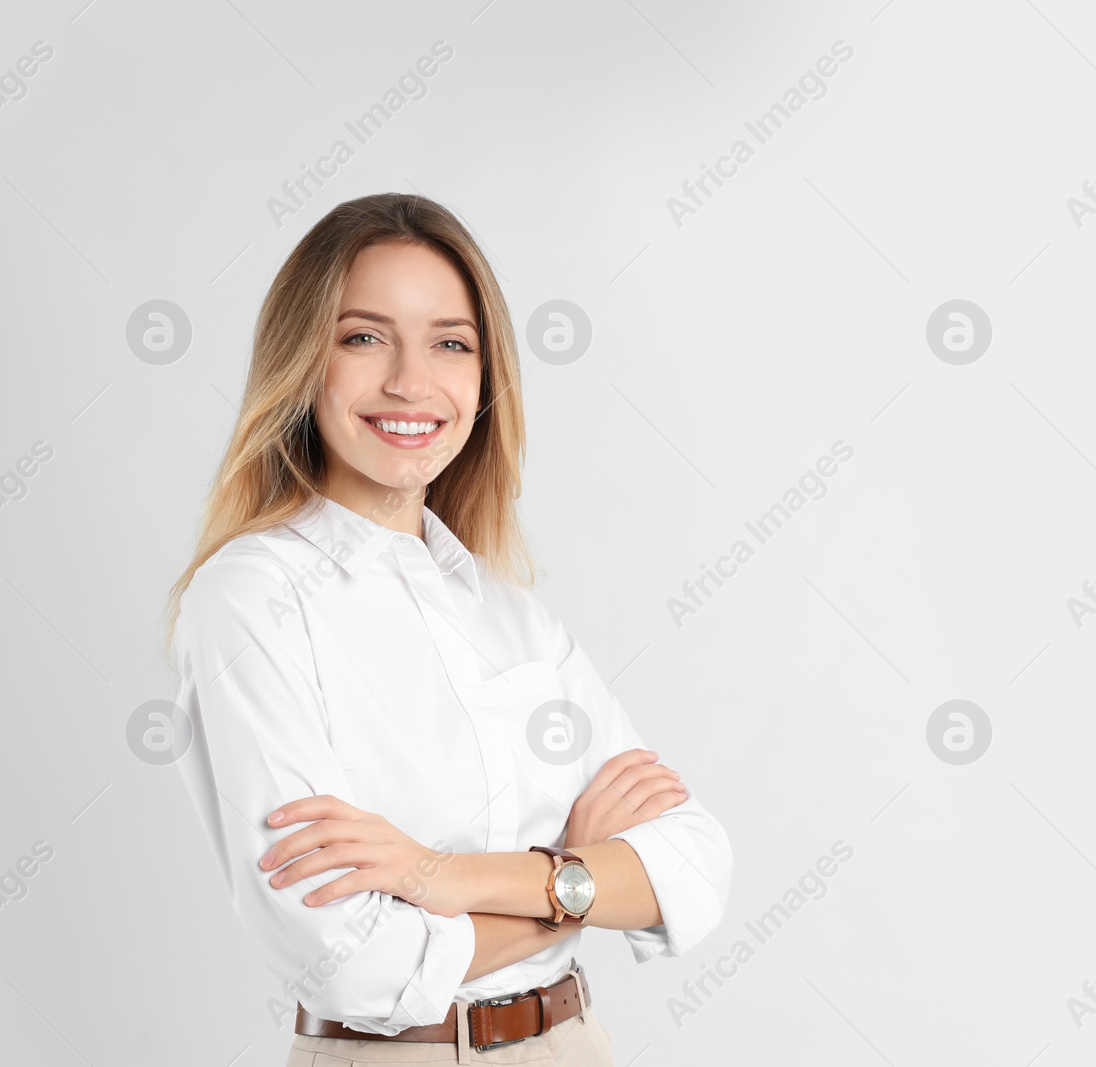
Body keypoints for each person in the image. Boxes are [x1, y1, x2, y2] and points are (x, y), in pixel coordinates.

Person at [159, 193, 733, 1065]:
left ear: (484, 378)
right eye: (363, 336)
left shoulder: (508, 611)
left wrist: (440, 876)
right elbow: (354, 963)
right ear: (302, 360)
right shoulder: (247, 599)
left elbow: (693, 862)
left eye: (450, 343)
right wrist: (575, 873)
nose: (409, 381)